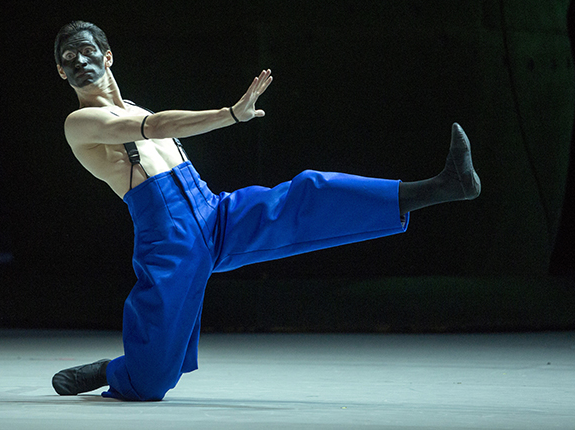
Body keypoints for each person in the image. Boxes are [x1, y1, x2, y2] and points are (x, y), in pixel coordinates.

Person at [50, 20, 481, 401]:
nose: (80, 61)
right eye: (69, 58)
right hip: (169, 238)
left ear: (107, 56)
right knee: (149, 385)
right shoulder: (80, 123)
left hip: (212, 212)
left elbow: (157, 128)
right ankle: (114, 370)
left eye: (88, 51)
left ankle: (440, 187)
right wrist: (231, 115)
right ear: (62, 72)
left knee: (308, 194)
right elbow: (158, 125)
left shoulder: (134, 106)